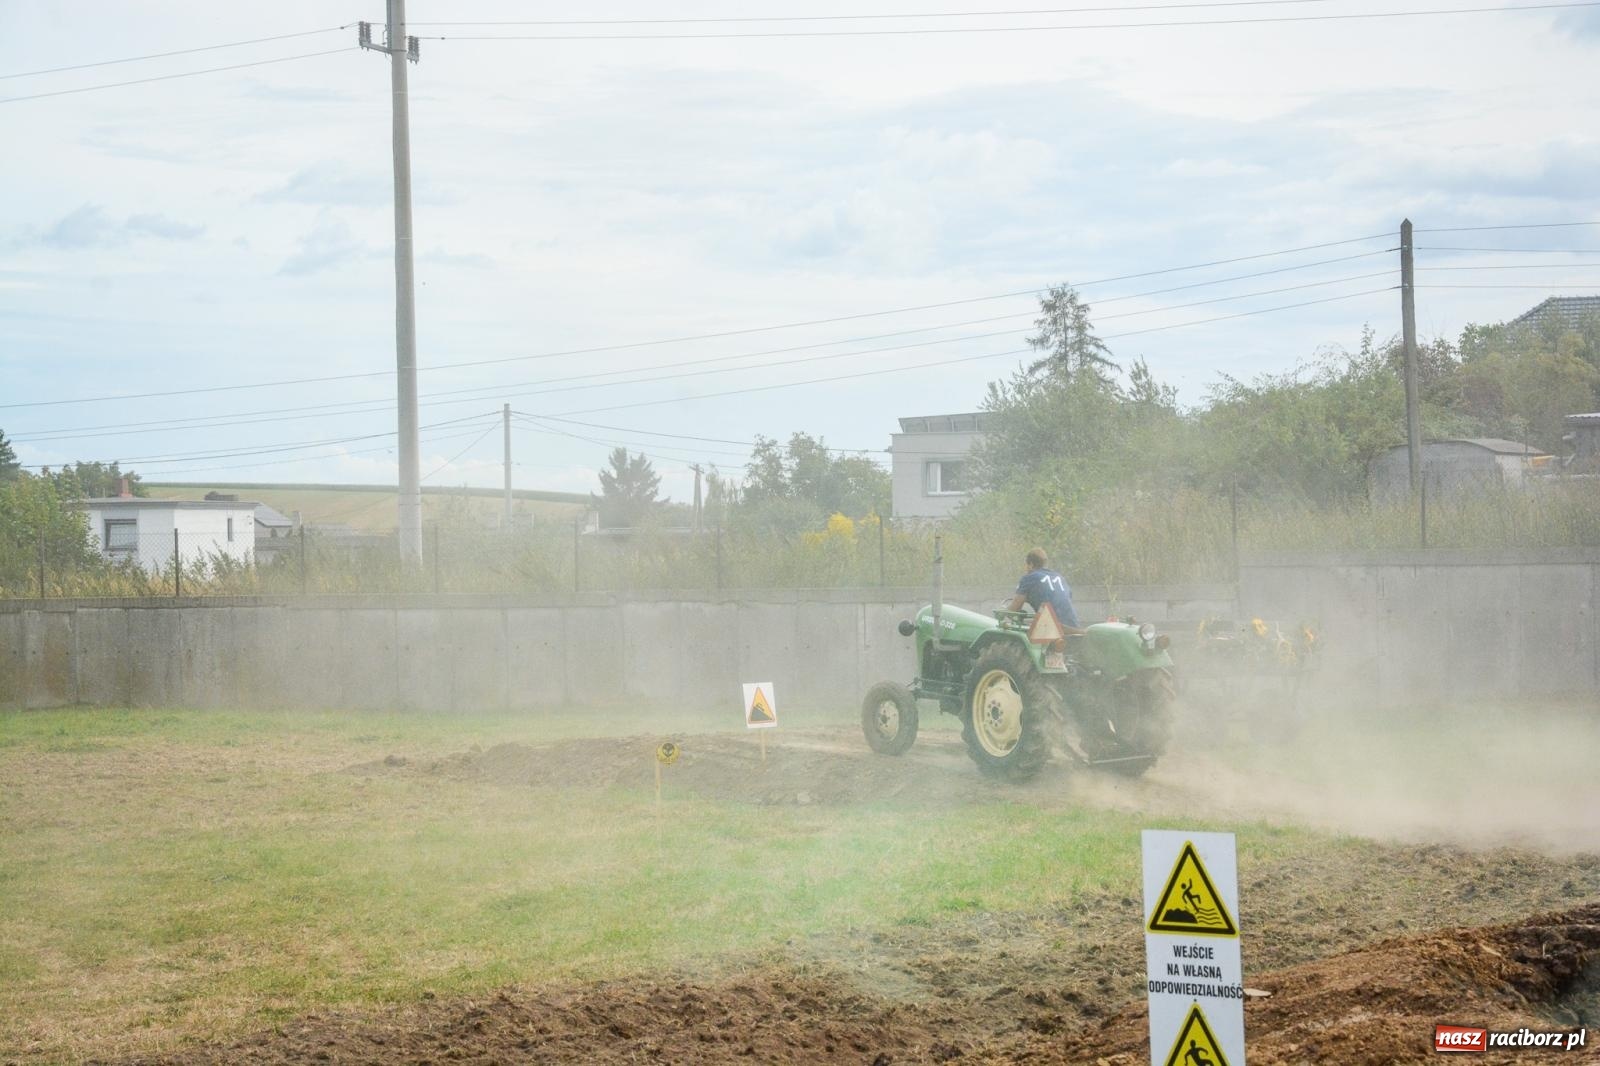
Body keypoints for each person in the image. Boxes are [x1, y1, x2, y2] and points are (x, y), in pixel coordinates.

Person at [1006, 548, 1080, 629]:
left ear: (1030, 564)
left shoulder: (1029, 578)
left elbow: (1014, 609)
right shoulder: (1059, 577)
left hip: (1055, 631)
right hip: (1074, 628)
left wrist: (1004, 611)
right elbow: (1063, 599)